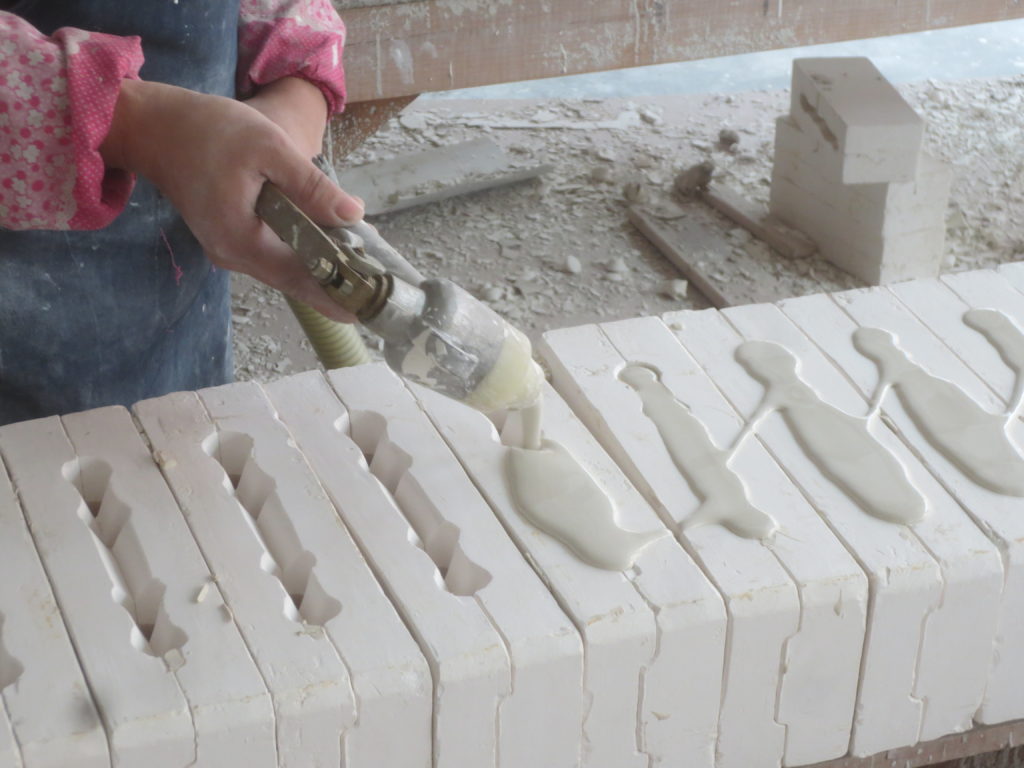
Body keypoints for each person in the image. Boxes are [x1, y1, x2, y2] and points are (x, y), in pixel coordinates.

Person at [0, 1, 364, 427]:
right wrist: (133, 126)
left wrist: (296, 92)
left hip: (181, 310)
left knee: (177, 454)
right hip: (18, 318)